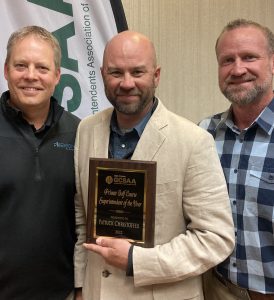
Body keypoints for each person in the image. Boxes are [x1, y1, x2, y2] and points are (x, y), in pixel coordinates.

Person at [74, 30, 235, 300]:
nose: (126, 83)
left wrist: (138, 261)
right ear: (102, 74)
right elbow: (82, 215)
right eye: (116, 72)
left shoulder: (193, 141)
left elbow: (216, 238)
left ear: (156, 75)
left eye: (138, 72)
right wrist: (80, 286)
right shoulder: (86, 130)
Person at [0, 26, 82, 299]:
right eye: (21, 65)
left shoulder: (81, 133)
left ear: (57, 75)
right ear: (6, 70)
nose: (31, 76)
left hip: (63, 293)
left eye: (42, 68)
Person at [200, 19, 274, 299]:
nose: (238, 69)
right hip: (217, 289)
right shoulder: (203, 134)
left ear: (272, 63)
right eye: (227, 60)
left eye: (249, 57)